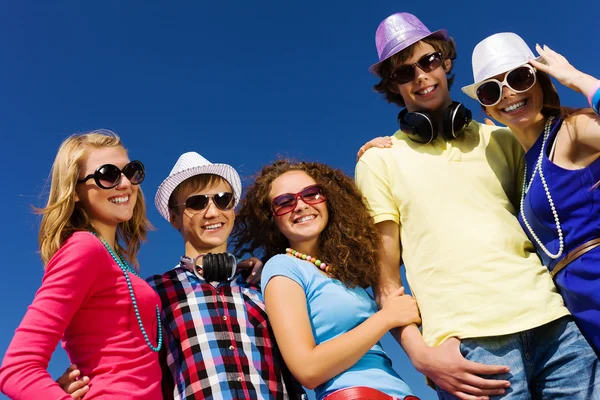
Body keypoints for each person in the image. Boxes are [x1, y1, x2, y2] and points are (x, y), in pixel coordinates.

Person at [355, 12, 600, 400]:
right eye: (404, 72)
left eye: (429, 60)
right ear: (392, 85)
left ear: (446, 61)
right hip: (470, 347)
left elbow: (556, 202)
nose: (420, 75)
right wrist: (420, 355)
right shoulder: (377, 161)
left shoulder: (503, 141)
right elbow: (386, 283)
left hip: (556, 326)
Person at [233, 160, 420, 400]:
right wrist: (386, 317)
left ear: (328, 200)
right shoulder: (283, 268)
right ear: (272, 218)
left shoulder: (342, 274)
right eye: (284, 202)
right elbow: (308, 369)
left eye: (311, 194)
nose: (300, 206)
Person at [461, 32, 600, 354]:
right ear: (486, 107)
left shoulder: (572, 129)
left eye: (519, 78)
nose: (508, 93)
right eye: (491, 89)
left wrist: (578, 79)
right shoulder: (524, 168)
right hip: (583, 313)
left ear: (541, 80)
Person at [0, 130, 163, 399]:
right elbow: (17, 368)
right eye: (108, 175)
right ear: (75, 192)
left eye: (130, 171)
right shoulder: (84, 248)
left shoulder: (117, 260)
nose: (125, 184)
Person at [147, 152, 305, 399]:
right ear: (174, 217)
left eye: (223, 199)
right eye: (196, 203)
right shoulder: (154, 293)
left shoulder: (266, 282)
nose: (212, 212)